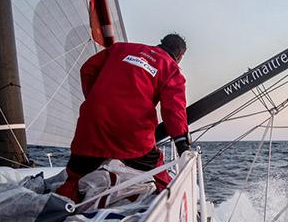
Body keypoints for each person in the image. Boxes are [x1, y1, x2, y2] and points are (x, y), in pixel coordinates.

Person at [56, 33, 191, 202]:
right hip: (131, 135)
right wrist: (182, 145)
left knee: (75, 176)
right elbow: (173, 111)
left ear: (161, 43)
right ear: (180, 56)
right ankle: (174, 203)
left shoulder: (120, 48)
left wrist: (97, 100)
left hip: (92, 124)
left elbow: (87, 69)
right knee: (158, 173)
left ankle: (61, 205)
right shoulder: (171, 69)